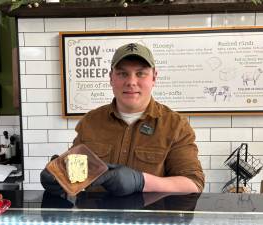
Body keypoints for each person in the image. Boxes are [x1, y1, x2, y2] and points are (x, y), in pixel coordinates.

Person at [41, 43, 205, 196]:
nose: (131, 82)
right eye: (122, 74)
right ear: (111, 77)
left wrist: (141, 181)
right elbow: (75, 173)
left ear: (154, 77)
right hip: (99, 219)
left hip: (150, 219)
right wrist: (58, 177)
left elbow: (193, 183)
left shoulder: (176, 126)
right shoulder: (90, 122)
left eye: (140, 73)